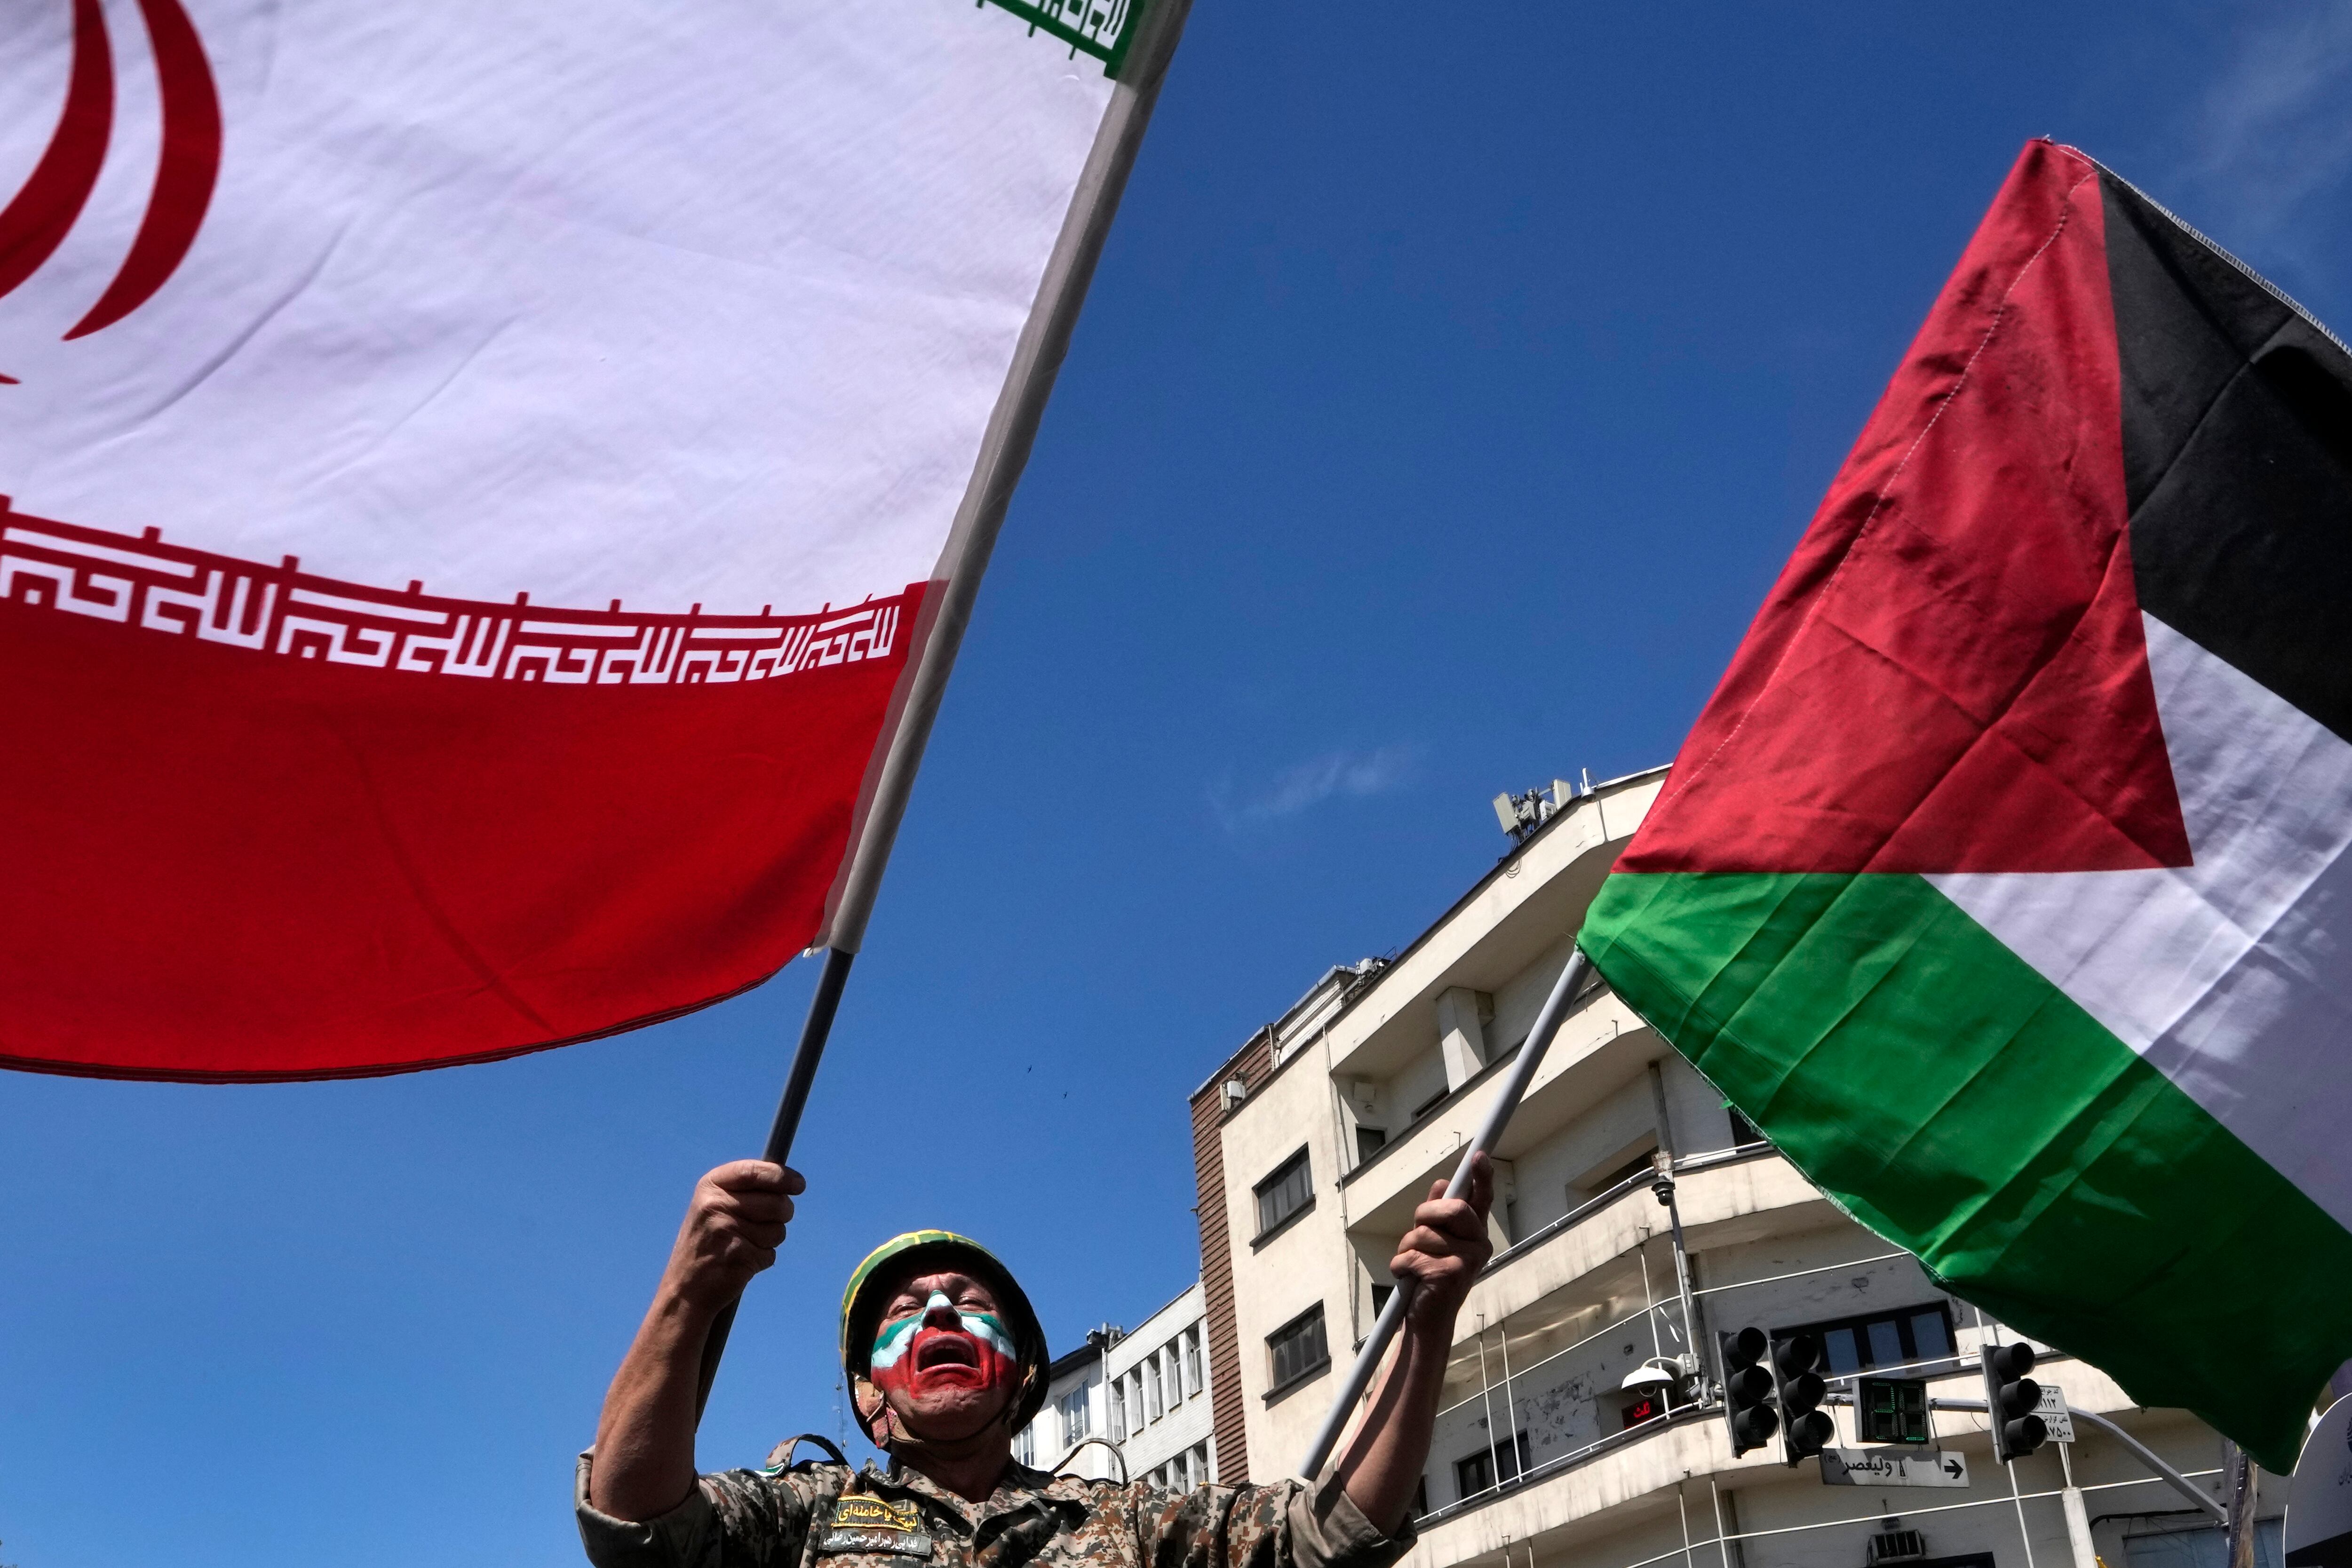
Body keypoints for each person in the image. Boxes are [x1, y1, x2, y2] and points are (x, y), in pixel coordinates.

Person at [577, 1153, 1498, 1568]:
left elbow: (1333, 1535)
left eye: (972, 1304)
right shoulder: (803, 1514)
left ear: (1023, 1375)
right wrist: (689, 1293)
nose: (938, 1308)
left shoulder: (1130, 1520)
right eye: (903, 1311)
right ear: (868, 1393)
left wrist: (1423, 1325)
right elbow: (634, 1523)